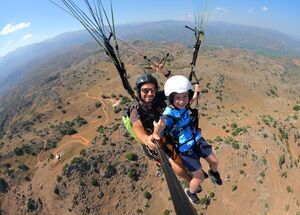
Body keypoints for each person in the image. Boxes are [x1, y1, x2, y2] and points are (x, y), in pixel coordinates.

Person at [153, 75, 222, 205]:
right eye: (178, 98)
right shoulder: (167, 116)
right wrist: (157, 130)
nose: (182, 101)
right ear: (171, 98)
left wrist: (196, 91)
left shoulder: (184, 105)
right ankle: (191, 192)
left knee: (214, 161)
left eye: (184, 96)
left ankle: (213, 173)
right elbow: (158, 135)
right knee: (199, 177)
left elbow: (191, 100)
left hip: (197, 140)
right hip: (186, 149)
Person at [129, 73, 200, 187]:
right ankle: (189, 180)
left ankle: (195, 169)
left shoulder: (158, 96)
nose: (150, 93)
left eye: (152, 90)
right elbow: (136, 125)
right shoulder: (135, 109)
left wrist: (165, 71)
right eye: (145, 90)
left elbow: (177, 87)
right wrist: (147, 139)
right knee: (172, 161)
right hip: (154, 140)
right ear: (139, 91)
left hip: (167, 131)